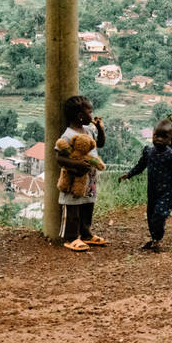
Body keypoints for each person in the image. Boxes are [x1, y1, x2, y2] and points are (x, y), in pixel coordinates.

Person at [118, 118, 172, 252]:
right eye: (156, 135)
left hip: (167, 193)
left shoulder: (171, 156)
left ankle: (158, 238)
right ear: (152, 135)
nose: (159, 139)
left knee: (159, 215)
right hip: (152, 192)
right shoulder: (148, 152)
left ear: (170, 140)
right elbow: (140, 166)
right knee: (150, 215)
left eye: (163, 137)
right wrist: (129, 174)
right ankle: (154, 239)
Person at [55, 95, 106, 252]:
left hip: (89, 180)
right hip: (74, 178)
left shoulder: (89, 130)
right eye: (90, 112)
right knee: (72, 208)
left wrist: (100, 129)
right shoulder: (68, 135)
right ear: (80, 116)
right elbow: (59, 158)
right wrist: (77, 164)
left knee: (87, 207)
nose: (92, 115)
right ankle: (70, 237)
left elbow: (100, 144)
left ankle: (86, 234)